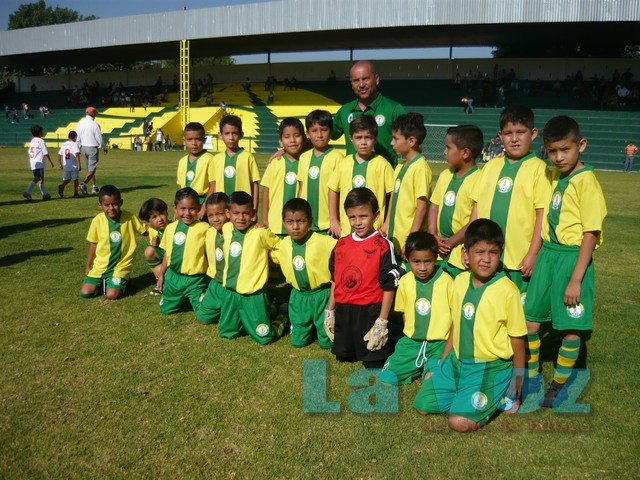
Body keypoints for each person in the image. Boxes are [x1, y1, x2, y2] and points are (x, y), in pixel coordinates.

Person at [413, 219, 527, 432]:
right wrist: (443, 362)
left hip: (489, 367)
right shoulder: (460, 281)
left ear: (500, 254)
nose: (486, 259)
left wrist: (517, 380)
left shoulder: (507, 291)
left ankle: (498, 391)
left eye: (493, 253)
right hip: (457, 363)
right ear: (466, 254)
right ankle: (463, 391)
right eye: (479, 252)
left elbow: (518, 338)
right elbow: (456, 325)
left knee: (458, 422)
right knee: (422, 406)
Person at [523, 116, 607, 408]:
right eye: (552, 151)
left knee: (570, 329)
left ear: (580, 146)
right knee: (531, 321)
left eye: (565, 150)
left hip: (572, 259)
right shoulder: (554, 176)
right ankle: (531, 377)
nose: (558, 157)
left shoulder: (587, 182)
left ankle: (558, 383)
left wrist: (576, 277)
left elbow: (590, 233)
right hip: (548, 255)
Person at [471, 105, 550, 294]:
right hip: (486, 257)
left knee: (518, 313)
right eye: (508, 133)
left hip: (519, 259)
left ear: (533, 134)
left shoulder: (539, 169)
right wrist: (470, 245)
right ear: (500, 135)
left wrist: (532, 253)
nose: (514, 139)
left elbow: (542, 214)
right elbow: (476, 207)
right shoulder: (491, 166)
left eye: (521, 132)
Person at [325, 187, 401, 368]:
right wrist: (330, 311)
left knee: (373, 361)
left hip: (370, 310)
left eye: (363, 216)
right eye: (352, 217)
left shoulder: (383, 245)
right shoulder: (342, 244)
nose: (357, 222)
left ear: (376, 215)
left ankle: (393, 334)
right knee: (344, 356)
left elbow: (390, 285)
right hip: (345, 310)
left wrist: (382, 321)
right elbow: (336, 279)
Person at [379, 232, 453, 385]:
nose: (423, 267)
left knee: (432, 381)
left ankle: (427, 368)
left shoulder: (447, 282)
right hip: (411, 343)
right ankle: (413, 364)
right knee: (387, 378)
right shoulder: (405, 281)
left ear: (435, 258)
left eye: (428, 261)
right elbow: (404, 313)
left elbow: (455, 316)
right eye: (416, 262)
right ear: (407, 259)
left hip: (438, 345)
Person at [217, 191, 288, 345]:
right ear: (228, 213)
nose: (241, 218)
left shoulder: (260, 233)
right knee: (227, 332)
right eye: (236, 213)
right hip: (230, 293)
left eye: (245, 213)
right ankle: (261, 312)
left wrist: (272, 259)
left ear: (253, 214)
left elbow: (280, 246)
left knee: (264, 337)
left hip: (253, 295)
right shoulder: (227, 228)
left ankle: (283, 316)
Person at [271, 198, 337, 348]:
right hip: (298, 296)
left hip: (321, 296)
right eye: (290, 222)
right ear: (283, 222)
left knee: (327, 343)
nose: (295, 227)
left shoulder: (324, 241)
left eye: (300, 221)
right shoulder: (283, 245)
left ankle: (320, 328)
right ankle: (284, 316)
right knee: (298, 342)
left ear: (310, 221)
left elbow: (345, 249)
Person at [429, 125, 483, 277]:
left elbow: (475, 220)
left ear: (465, 153)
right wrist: (433, 234)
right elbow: (434, 205)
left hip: (460, 255)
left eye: (448, 148)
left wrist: (451, 241)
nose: (444, 152)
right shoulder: (445, 175)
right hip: (438, 251)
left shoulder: (479, 179)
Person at [328, 115, 394, 238]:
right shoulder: (344, 163)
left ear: (375, 139)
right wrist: (333, 219)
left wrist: (387, 222)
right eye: (358, 138)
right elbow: (332, 189)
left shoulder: (382, 164)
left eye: (368, 138)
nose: (363, 142)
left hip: (375, 230)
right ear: (351, 139)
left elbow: (393, 193)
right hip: (347, 230)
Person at [332, 61, 406, 166]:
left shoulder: (393, 108)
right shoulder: (345, 110)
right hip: (352, 177)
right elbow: (328, 134)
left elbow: (410, 138)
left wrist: (416, 155)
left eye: (365, 79)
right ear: (351, 84)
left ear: (376, 79)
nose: (361, 84)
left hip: (384, 178)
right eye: (356, 80)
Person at [80, 185, 147, 300]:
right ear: (100, 205)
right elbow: (93, 243)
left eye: (115, 203)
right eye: (106, 205)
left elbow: (145, 231)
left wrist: (163, 224)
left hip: (120, 267)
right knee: (85, 293)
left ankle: (122, 282)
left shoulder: (129, 218)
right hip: (100, 267)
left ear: (121, 202)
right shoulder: (97, 220)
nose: (111, 208)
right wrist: (88, 266)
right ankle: (108, 283)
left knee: (112, 295)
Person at [381, 112, 431, 254]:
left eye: (396, 139)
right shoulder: (399, 167)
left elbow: (421, 208)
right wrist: (386, 224)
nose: (391, 143)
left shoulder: (420, 168)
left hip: (407, 242)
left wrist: (411, 241)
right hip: (393, 237)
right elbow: (393, 199)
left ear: (411, 141)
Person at [157, 188, 211, 315]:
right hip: (173, 278)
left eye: (192, 208)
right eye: (183, 209)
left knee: (204, 314)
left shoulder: (205, 228)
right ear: (175, 208)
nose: (187, 213)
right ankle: (182, 298)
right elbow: (167, 253)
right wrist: (161, 274)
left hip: (195, 280)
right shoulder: (170, 228)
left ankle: (197, 295)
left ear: (198, 208)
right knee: (166, 310)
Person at [297, 110, 343, 233]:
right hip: (305, 223)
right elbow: (301, 188)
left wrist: (334, 220)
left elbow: (339, 192)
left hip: (328, 225)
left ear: (331, 131)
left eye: (324, 130)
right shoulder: (304, 157)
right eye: (314, 131)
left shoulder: (338, 158)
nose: (319, 135)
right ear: (307, 133)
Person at [261, 117, 305, 235]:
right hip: (275, 224)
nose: (292, 140)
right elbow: (266, 192)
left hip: (300, 225)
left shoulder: (306, 162)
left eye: (296, 136)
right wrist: (265, 219)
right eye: (287, 137)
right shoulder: (275, 162)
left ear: (304, 137)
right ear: (280, 142)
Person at [212, 115, 260, 212]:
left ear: (241, 135)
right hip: (221, 210)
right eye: (227, 133)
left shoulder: (248, 157)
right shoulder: (216, 159)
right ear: (220, 135)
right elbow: (213, 186)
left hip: (242, 209)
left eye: (234, 133)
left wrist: (254, 208)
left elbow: (254, 184)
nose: (231, 137)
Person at [196, 192, 231, 324]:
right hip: (216, 283)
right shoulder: (209, 232)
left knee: (231, 322)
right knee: (204, 318)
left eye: (219, 214)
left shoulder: (236, 231)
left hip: (234, 285)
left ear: (228, 213)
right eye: (211, 215)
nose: (215, 219)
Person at [177, 122, 216, 219]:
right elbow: (181, 188)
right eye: (190, 139)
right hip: (186, 206)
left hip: (202, 203)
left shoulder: (210, 159)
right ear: (184, 140)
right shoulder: (182, 161)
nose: (194, 143)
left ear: (204, 140)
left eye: (198, 139)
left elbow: (213, 186)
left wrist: (204, 208)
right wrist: (178, 209)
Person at [138, 198, 170, 295]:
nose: (160, 219)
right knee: (149, 250)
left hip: (176, 261)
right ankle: (161, 282)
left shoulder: (173, 228)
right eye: (154, 217)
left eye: (162, 214)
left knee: (159, 270)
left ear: (167, 213)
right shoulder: (152, 230)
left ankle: (165, 282)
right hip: (166, 259)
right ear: (149, 222)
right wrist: (155, 245)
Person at [23, 125, 54, 201]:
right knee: (38, 178)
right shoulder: (41, 141)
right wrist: (51, 162)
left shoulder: (33, 140)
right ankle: (27, 192)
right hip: (39, 162)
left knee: (41, 178)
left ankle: (44, 194)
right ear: (39, 133)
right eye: (42, 131)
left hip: (33, 161)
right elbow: (45, 153)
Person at [76, 106, 102, 195]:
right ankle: (84, 184)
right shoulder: (95, 124)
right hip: (92, 148)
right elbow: (99, 137)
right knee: (92, 170)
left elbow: (77, 138)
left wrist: (77, 147)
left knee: (88, 170)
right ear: (93, 114)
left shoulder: (80, 123)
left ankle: (92, 187)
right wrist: (103, 146)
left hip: (83, 147)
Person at [57, 130, 82, 198]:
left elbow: (59, 154)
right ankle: (75, 193)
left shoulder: (64, 144)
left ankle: (62, 186)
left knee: (67, 179)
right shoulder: (74, 144)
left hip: (66, 165)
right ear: (74, 137)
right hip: (73, 165)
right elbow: (77, 155)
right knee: (75, 179)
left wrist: (60, 163)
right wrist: (79, 165)